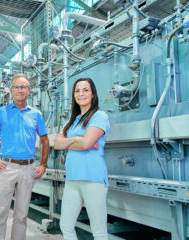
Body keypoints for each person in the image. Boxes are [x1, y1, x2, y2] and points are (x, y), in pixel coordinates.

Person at [0, 74, 50, 240]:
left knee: (22, 214)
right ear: (11, 90)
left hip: (28, 168)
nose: (20, 90)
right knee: (0, 212)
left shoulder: (36, 114)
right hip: (7, 167)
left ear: (29, 91)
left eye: (23, 87)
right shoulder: (1, 112)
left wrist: (43, 164)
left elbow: (45, 140)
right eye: (17, 87)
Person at [54, 78, 110, 240]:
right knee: (65, 225)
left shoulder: (100, 116)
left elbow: (86, 144)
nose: (81, 94)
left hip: (93, 178)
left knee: (98, 230)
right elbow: (57, 144)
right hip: (72, 179)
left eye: (85, 90)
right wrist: (79, 140)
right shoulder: (71, 122)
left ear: (93, 94)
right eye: (77, 91)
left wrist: (74, 142)